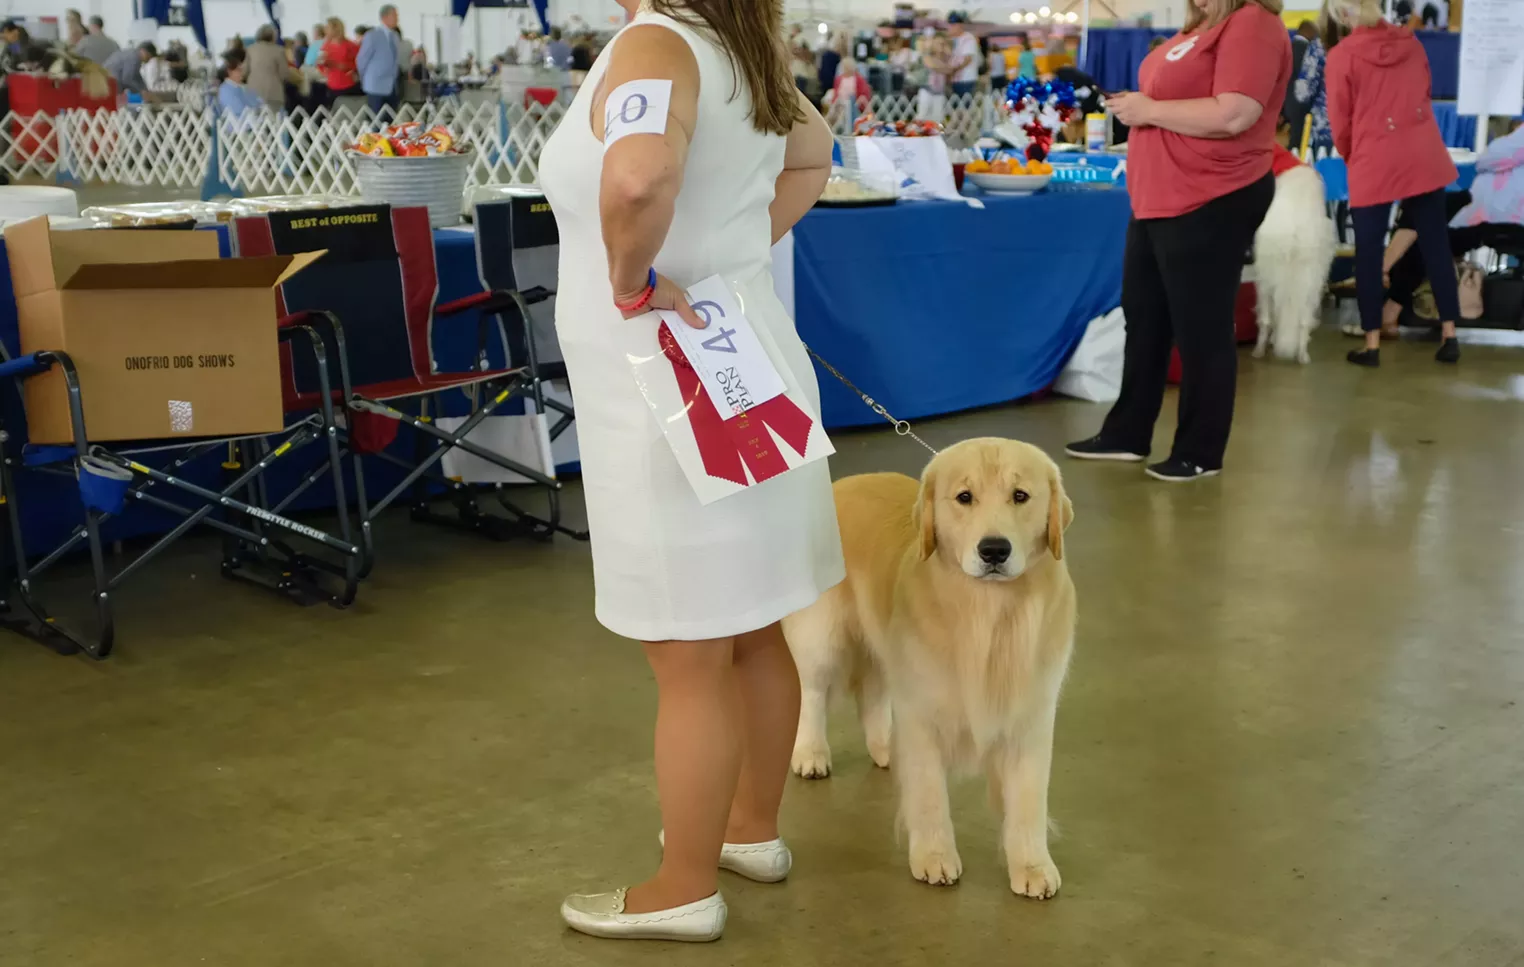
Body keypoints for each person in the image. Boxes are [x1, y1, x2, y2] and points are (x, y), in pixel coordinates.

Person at [540, 0, 843, 943]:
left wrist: (631, 278)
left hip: (662, 390)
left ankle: (681, 884)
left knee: (686, 650)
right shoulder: (741, 46)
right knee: (752, 619)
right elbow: (810, 156)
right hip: (741, 362)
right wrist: (730, 256)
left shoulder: (655, 45)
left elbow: (637, 177)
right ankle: (749, 829)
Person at [1067, 0, 1290, 482]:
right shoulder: (1199, 28)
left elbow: (1235, 113)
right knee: (1144, 317)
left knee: (1201, 329)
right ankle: (1127, 433)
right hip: (1159, 195)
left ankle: (1200, 449)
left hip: (1211, 193)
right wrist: (1139, 110)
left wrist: (1148, 110)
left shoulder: (1252, 22)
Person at [1326, 0, 1460, 366]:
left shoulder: (1342, 55)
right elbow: (1425, 93)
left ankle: (1371, 344)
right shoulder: (1413, 44)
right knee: (1435, 243)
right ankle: (1450, 335)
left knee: (1369, 253)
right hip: (1422, 151)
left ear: (1341, 13)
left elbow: (1340, 118)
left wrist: (1354, 153)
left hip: (1374, 154)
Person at [358, 5, 401, 113]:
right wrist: (365, 78)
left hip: (392, 85)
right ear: (385, 17)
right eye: (394, 15)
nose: (397, 18)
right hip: (375, 86)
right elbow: (361, 60)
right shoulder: (372, 35)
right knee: (376, 122)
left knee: (390, 121)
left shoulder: (395, 36)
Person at [246, 25, 292, 109]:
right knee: (274, 120)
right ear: (273, 37)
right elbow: (284, 74)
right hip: (273, 93)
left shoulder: (250, 49)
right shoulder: (279, 50)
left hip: (253, 93)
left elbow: (245, 71)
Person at [320, 18, 360, 104]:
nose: (325, 30)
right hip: (331, 84)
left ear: (336, 29)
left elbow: (359, 63)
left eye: (328, 28)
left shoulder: (350, 46)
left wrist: (346, 67)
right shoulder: (325, 45)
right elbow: (321, 65)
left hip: (347, 84)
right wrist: (322, 65)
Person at [946, 12, 980, 96]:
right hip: (955, 79)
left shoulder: (968, 38)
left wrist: (953, 70)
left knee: (965, 106)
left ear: (960, 25)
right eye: (950, 25)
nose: (950, 28)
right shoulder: (952, 39)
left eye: (953, 25)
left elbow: (967, 59)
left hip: (966, 79)